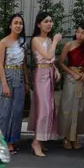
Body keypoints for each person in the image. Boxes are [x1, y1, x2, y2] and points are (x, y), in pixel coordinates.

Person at [27, 12, 62, 157]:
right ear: (38, 24)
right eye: (46, 21)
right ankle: (36, 141)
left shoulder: (47, 39)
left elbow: (50, 60)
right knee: (43, 109)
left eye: (51, 21)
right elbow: (47, 56)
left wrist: (55, 69)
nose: (49, 24)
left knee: (50, 108)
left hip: (48, 74)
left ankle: (41, 139)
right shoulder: (36, 40)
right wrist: (54, 41)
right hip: (41, 76)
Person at [0, 13, 29, 155]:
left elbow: (24, 64)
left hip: (20, 77)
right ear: (10, 25)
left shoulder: (23, 42)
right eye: (15, 23)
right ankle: (2, 141)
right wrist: (4, 84)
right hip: (7, 76)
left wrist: (27, 82)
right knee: (5, 111)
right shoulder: (3, 42)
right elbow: (0, 65)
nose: (18, 25)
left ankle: (12, 140)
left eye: (20, 23)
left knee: (17, 110)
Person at [57, 21, 84, 150]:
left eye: (83, 33)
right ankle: (66, 137)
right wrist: (73, 73)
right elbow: (61, 63)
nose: (79, 35)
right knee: (68, 106)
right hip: (71, 78)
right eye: (78, 32)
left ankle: (76, 136)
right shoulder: (69, 45)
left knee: (80, 107)